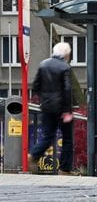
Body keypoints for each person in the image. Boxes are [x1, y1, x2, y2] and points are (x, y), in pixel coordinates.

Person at [28, 42, 74, 175]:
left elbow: (35, 86)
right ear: (66, 54)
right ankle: (64, 169)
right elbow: (67, 90)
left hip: (47, 107)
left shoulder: (43, 64)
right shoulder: (65, 67)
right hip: (61, 109)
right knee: (67, 139)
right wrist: (67, 111)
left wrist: (44, 99)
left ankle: (34, 155)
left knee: (47, 136)